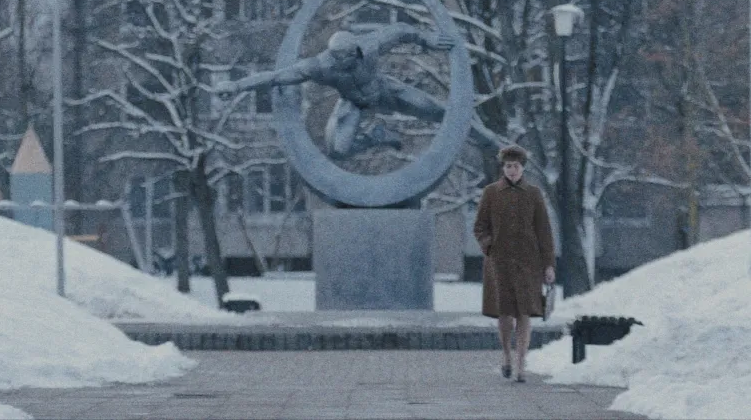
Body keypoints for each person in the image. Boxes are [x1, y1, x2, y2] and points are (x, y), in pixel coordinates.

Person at [216, 26, 504, 159]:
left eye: (356, 54)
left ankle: (488, 140)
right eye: (349, 58)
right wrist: (238, 85)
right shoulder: (320, 66)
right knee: (337, 150)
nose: (356, 58)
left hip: (386, 90)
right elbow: (277, 76)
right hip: (353, 104)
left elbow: (403, 31)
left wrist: (427, 39)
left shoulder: (369, 45)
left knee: (441, 111)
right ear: (337, 58)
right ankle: (375, 137)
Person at [473, 145, 555, 383]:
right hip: (499, 263)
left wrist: (548, 264)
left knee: (525, 313)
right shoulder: (491, 193)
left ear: (523, 168)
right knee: (505, 313)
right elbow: (480, 226)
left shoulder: (533, 194)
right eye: (508, 166)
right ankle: (507, 356)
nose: (512, 170)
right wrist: (490, 246)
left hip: (529, 263)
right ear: (503, 167)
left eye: (516, 166)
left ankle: (521, 364)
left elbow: (544, 231)